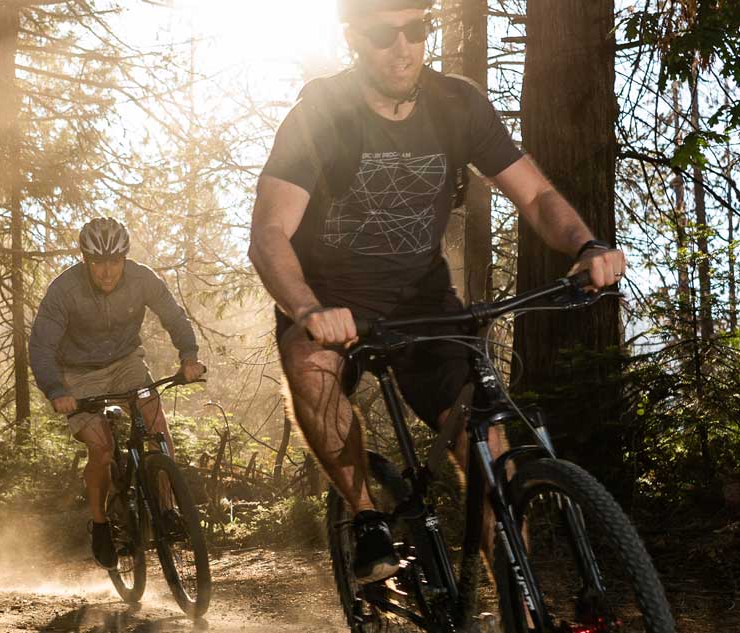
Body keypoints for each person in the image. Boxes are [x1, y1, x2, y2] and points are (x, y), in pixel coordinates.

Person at [246, 0, 628, 582]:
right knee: (312, 371)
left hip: (422, 299)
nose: (403, 46)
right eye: (383, 33)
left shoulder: (458, 105)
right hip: (329, 297)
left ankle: (516, 599)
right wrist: (307, 309)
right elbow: (270, 233)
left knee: (487, 438)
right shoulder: (320, 112)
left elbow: (534, 195)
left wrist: (586, 246)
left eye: (416, 28)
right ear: (353, 39)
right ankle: (366, 514)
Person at [29, 217, 206, 568]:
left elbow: (173, 316)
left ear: (124, 258)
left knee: (155, 420)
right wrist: (56, 389)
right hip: (78, 374)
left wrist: (189, 356)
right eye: (98, 263)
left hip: (126, 362)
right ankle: (100, 523)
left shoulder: (143, 278)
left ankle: (168, 510)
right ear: (85, 261)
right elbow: (41, 346)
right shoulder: (64, 291)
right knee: (102, 449)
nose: (107, 272)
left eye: (114, 262)